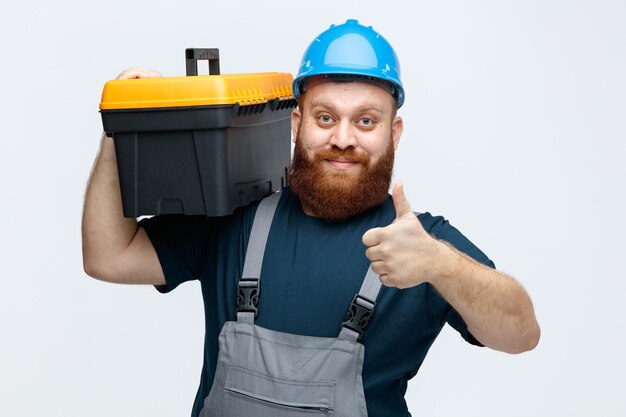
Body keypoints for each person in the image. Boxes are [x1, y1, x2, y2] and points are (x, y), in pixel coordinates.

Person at [83, 19, 540, 417]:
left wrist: (441, 264)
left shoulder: (422, 243)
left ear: (393, 133)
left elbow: (521, 334)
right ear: (296, 122)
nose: (343, 138)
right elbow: (108, 256)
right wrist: (118, 126)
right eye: (325, 118)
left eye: (365, 121)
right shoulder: (234, 220)